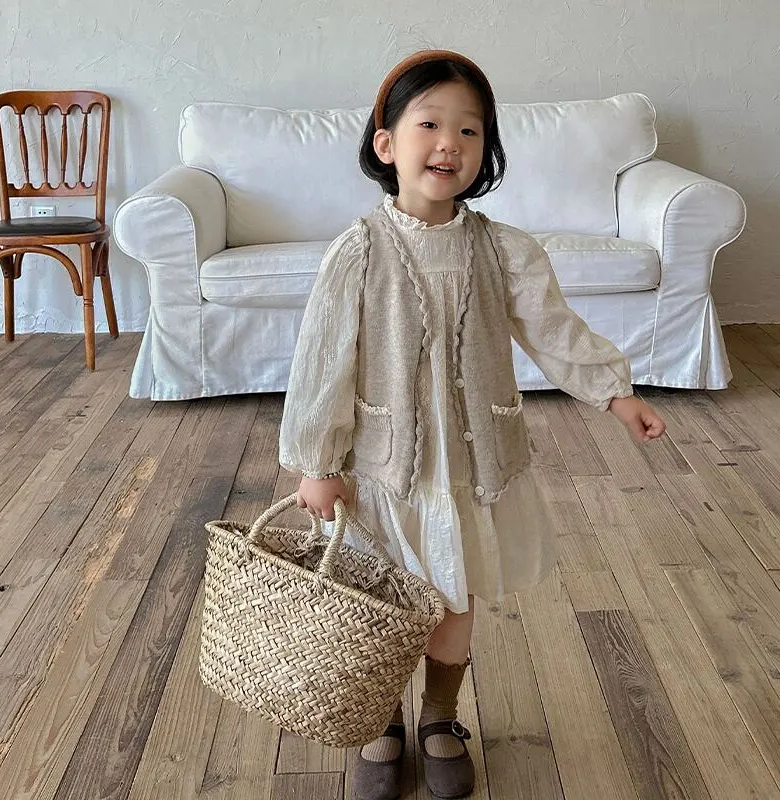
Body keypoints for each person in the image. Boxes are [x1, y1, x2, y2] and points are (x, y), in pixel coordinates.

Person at [279, 49, 666, 800]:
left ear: (486, 150)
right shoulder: (357, 252)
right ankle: (380, 720)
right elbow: (323, 365)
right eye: (429, 125)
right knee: (376, 604)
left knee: (453, 599)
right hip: (381, 471)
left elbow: (554, 331)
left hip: (466, 468)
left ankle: (439, 717)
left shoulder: (505, 250)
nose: (449, 143)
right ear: (386, 144)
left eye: (469, 129)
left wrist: (615, 393)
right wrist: (316, 464)